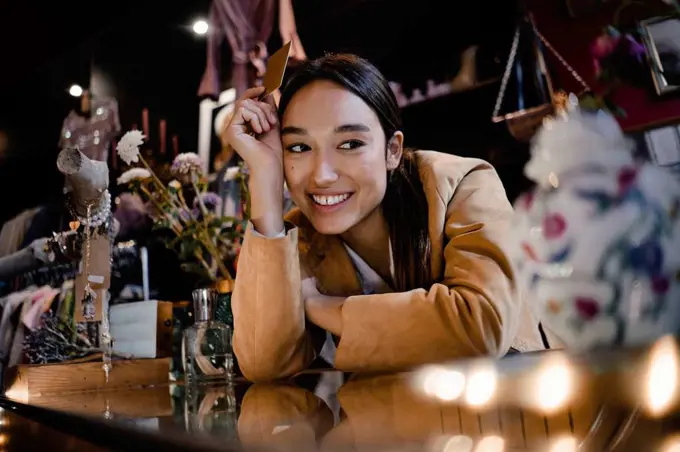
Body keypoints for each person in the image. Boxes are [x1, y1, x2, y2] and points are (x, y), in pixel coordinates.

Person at [224, 54, 545, 382]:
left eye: (350, 144)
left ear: (392, 150)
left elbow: (481, 326)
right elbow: (265, 364)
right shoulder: (301, 235)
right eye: (299, 147)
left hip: (513, 408)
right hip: (385, 426)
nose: (321, 175)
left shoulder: (460, 183)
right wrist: (264, 180)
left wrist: (320, 306)